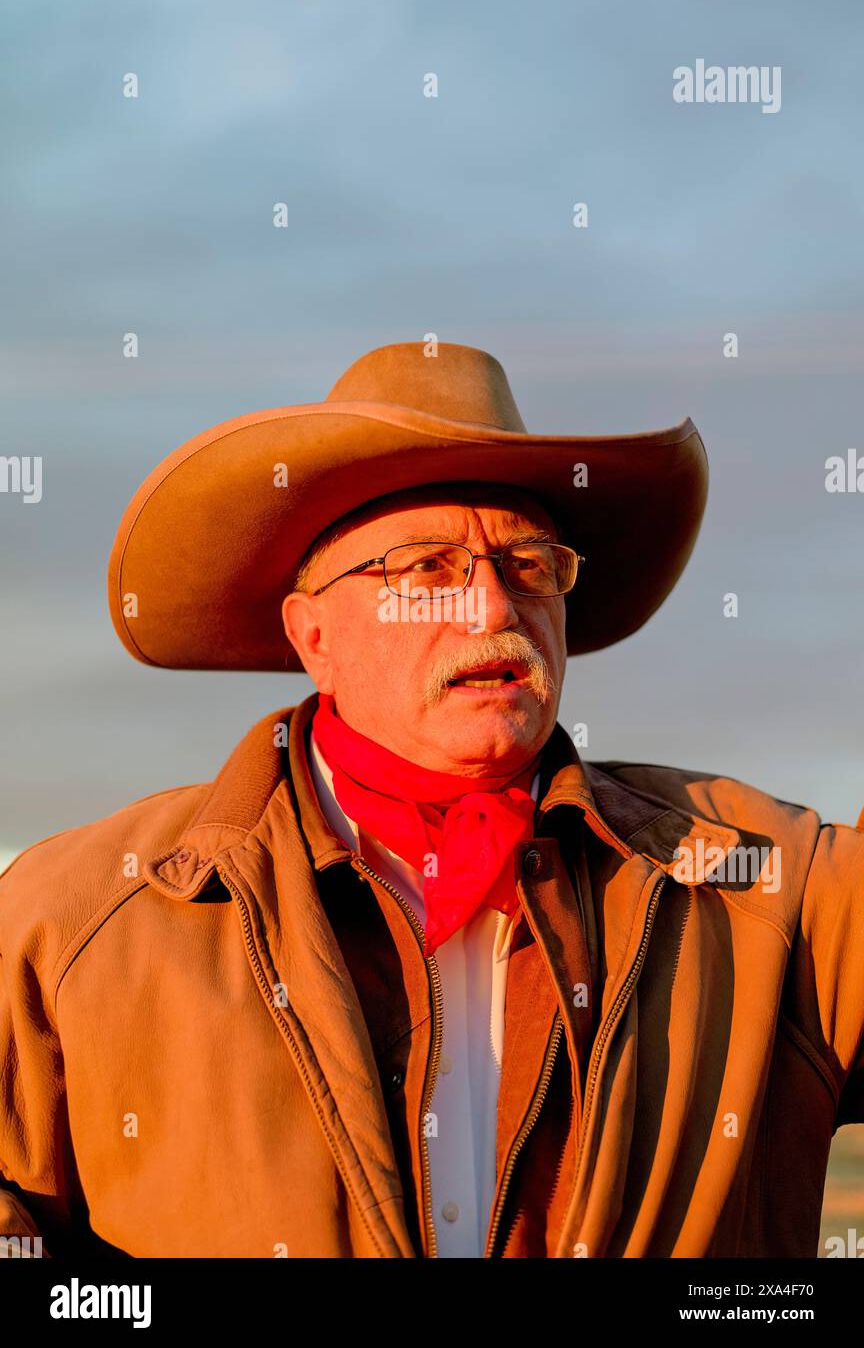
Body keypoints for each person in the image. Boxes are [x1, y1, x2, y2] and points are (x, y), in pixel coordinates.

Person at [0, 341, 861, 1259]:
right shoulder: (75, 922)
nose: (492, 608)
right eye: (429, 569)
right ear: (314, 634)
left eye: (531, 566)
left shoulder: (772, 884)